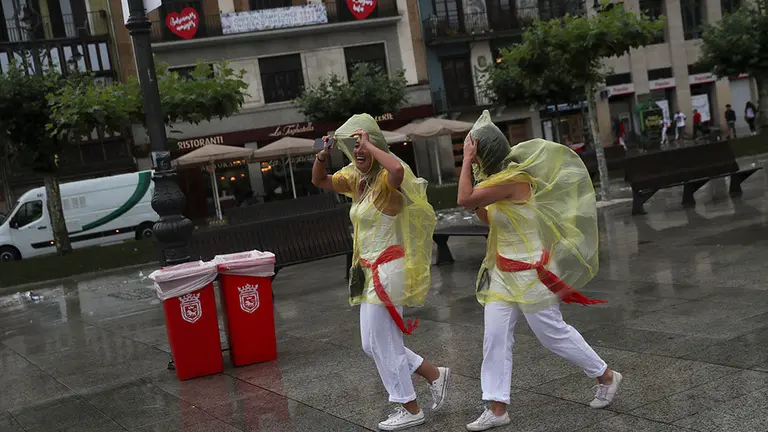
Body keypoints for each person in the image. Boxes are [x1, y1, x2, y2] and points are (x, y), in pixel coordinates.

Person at [457, 111, 622, 432]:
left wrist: (464, 163)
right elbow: (489, 219)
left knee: (552, 335)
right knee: (494, 338)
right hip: (504, 273)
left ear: (486, 152)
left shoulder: (514, 179)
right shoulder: (498, 183)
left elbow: (464, 198)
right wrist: (478, 189)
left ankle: (606, 375)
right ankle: (496, 407)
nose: (473, 160)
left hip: (533, 272)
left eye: (476, 152)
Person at [311, 114, 450, 431]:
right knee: (371, 344)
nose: (357, 152)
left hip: (388, 269)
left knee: (384, 343)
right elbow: (319, 180)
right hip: (367, 270)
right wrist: (322, 155)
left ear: (374, 147)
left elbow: (398, 169)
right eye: (353, 148)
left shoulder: (387, 181)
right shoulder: (356, 180)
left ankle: (410, 408)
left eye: (362, 147)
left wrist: (371, 147)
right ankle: (433, 373)